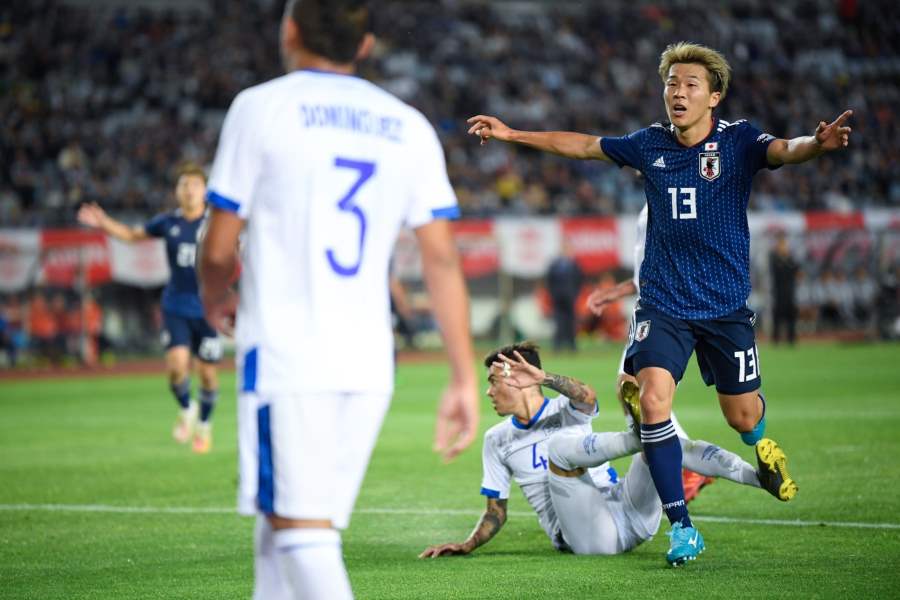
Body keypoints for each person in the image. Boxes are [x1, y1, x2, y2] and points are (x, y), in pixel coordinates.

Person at [467, 41, 848, 565]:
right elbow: (583, 145)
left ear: (714, 96)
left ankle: (760, 442)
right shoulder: (650, 144)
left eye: (691, 84)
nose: (678, 93)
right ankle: (682, 526)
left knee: (742, 416)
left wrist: (817, 145)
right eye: (672, 84)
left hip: (724, 308)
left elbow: (785, 150)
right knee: (651, 403)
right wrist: (513, 134)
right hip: (664, 306)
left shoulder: (737, 141)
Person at [197, 2, 480, 598]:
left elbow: (219, 248)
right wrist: (461, 374)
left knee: (304, 535)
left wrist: (213, 296)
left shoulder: (261, 107)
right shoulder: (407, 124)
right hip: (369, 364)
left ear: (290, 29)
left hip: (289, 354)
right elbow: (441, 259)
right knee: (283, 528)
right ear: (365, 44)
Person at [419, 342, 791, 559]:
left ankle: (760, 478)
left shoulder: (564, 408)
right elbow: (495, 511)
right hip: (589, 536)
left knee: (661, 442)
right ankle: (641, 435)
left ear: (519, 379)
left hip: (630, 509)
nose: (487, 392)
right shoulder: (496, 439)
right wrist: (467, 544)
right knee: (565, 448)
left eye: (493, 381)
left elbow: (587, 396)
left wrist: (545, 378)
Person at [77, 162, 222, 453]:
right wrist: (104, 222)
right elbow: (132, 235)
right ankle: (187, 408)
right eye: (184, 185)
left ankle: (205, 425)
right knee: (176, 368)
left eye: (195, 185)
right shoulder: (168, 222)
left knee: (207, 374)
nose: (189, 190)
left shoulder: (216, 224)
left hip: (208, 310)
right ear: (177, 191)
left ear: (205, 191)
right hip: (176, 306)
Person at [587, 204, 713, 503]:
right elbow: (648, 267)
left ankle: (686, 464)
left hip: (665, 312)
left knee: (638, 390)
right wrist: (617, 291)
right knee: (632, 391)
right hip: (659, 306)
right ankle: (684, 463)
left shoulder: (668, 200)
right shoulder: (653, 203)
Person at [546, 241, 583, 351]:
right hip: (558, 297)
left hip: (570, 297)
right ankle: (557, 345)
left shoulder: (574, 264)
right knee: (559, 321)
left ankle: (572, 345)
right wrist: (553, 293)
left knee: (571, 321)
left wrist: (575, 293)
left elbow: (579, 280)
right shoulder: (555, 265)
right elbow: (549, 280)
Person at [769, 232, 799, 344]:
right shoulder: (774, 259)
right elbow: (776, 272)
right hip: (778, 292)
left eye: (784, 245)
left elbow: (795, 271)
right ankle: (776, 339)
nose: (783, 247)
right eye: (781, 245)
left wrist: (787, 258)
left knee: (791, 316)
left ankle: (791, 338)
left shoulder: (791, 259)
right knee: (777, 316)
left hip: (790, 292)